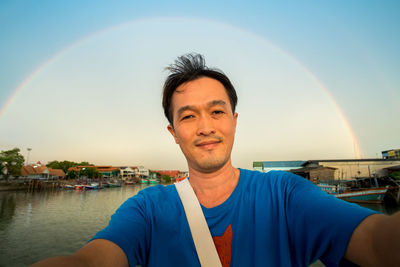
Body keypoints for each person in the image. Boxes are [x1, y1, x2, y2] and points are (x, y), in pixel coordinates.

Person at [32, 54, 400, 267]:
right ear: (173, 132)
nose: (205, 127)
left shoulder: (285, 194)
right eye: (188, 116)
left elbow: (373, 241)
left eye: (217, 111)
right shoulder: (147, 209)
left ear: (234, 122)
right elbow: (93, 260)